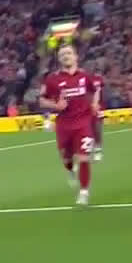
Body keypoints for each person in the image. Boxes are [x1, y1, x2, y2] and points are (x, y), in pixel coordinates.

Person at [40, 45, 97, 206]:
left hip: (83, 123)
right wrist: (56, 106)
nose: (66, 56)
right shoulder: (52, 79)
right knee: (66, 158)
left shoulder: (85, 76)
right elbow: (42, 100)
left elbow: (95, 91)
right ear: (59, 59)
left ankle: (84, 191)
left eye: (69, 53)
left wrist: (95, 104)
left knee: (84, 158)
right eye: (63, 54)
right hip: (64, 125)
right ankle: (70, 170)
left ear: (76, 56)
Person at [90, 72, 106, 161]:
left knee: (97, 128)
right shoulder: (81, 78)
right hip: (86, 107)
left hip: (98, 106)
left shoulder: (98, 78)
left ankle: (98, 149)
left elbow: (102, 92)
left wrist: (102, 106)